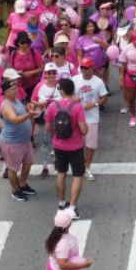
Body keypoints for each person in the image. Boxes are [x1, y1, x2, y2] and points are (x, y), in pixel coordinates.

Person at [46, 77, 89, 213]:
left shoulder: (53, 106)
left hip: (58, 146)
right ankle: (72, 207)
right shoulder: (77, 107)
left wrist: (56, 132)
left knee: (61, 173)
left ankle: (61, 203)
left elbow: (47, 127)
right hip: (75, 147)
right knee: (77, 175)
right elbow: (84, 130)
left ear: (62, 91)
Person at [0, 74, 41, 202]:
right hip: (12, 143)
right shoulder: (6, 106)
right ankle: (15, 190)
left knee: (28, 163)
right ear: (5, 92)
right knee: (13, 168)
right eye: (12, 89)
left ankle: (22, 184)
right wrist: (29, 115)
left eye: (16, 88)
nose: (16, 90)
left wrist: (29, 110)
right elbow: (15, 119)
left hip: (24, 141)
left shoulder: (16, 101)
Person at [72, 57, 109, 181]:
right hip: (77, 117)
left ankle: (87, 167)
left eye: (86, 68)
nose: (84, 70)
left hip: (92, 117)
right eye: (82, 67)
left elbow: (104, 97)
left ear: (92, 68)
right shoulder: (75, 80)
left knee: (90, 145)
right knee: (76, 143)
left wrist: (95, 104)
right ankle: (78, 166)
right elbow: (69, 95)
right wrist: (74, 100)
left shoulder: (98, 82)